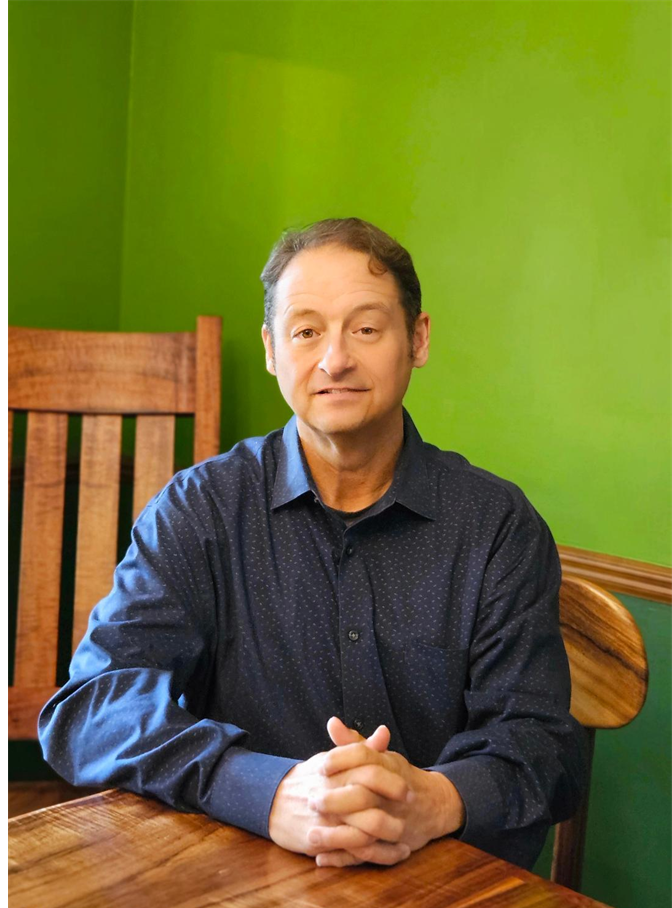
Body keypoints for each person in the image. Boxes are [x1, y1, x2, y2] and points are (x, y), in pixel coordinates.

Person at [39, 217, 587, 871]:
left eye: (365, 328)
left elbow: (543, 747)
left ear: (417, 338)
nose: (335, 359)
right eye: (307, 331)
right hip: (241, 870)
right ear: (273, 349)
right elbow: (92, 707)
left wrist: (432, 797)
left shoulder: (497, 526)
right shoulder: (203, 508)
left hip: (438, 879)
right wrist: (265, 789)